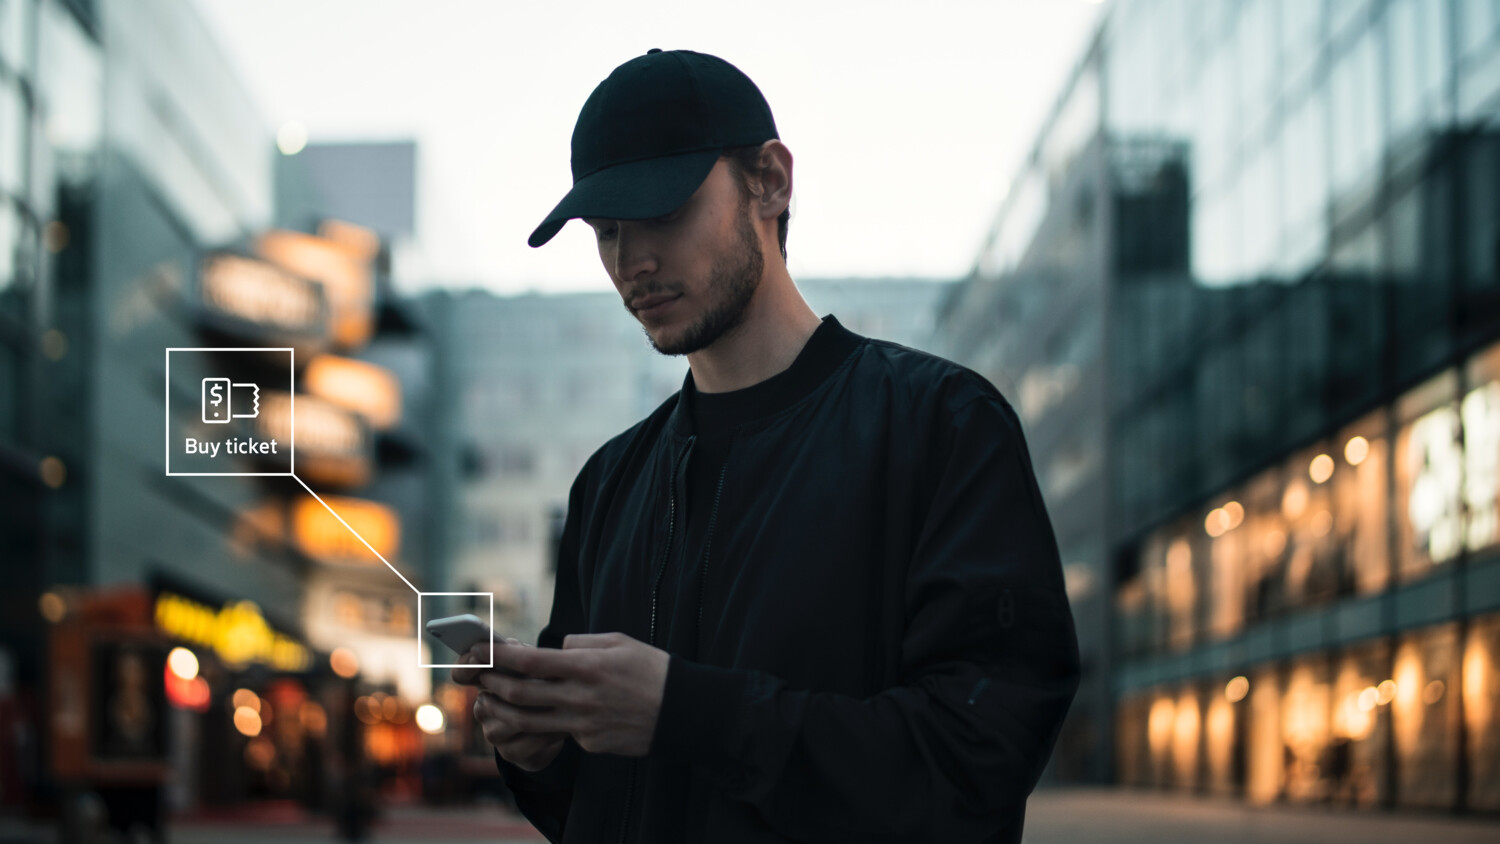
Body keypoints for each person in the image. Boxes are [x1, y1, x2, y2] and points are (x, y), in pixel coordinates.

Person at [451, 48, 1080, 843]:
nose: (631, 261)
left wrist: (688, 712)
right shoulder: (608, 483)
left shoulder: (942, 427)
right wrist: (536, 752)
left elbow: (976, 763)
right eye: (606, 230)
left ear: (771, 183)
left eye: (663, 212)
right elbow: (590, 803)